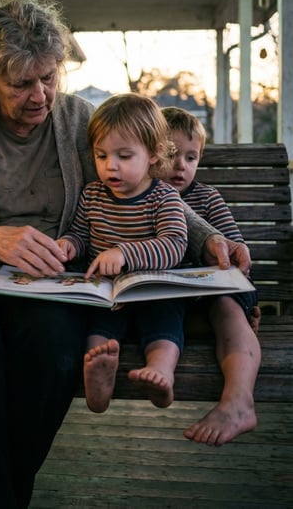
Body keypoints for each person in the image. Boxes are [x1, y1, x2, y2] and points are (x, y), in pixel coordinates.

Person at [0, 0, 252, 509]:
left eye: (49, 77)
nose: (41, 96)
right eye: (21, 83)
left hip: (49, 282)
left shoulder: (77, 120)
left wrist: (210, 239)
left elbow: (148, 190)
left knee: (55, 352)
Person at [56, 93, 189, 413]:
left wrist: (126, 253)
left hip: (152, 292)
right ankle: (99, 377)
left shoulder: (164, 198)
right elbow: (82, 235)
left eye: (124, 156)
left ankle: (161, 371)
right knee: (98, 331)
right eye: (101, 156)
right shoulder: (93, 195)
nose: (109, 166)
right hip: (107, 295)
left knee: (164, 322)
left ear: (155, 154)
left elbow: (174, 244)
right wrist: (70, 244)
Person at [162, 106, 261, 446]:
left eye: (191, 158)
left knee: (227, 311)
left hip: (214, 289)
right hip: (168, 301)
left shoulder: (207, 197)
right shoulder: (139, 198)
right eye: (172, 154)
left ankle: (238, 403)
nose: (181, 166)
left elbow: (236, 251)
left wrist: (232, 256)